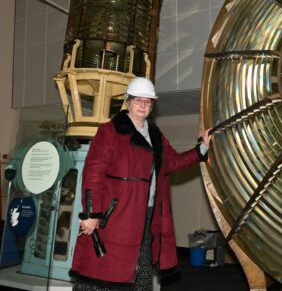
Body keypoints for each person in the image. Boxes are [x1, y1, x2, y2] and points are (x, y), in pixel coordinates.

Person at [70, 77, 212, 290]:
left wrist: (201, 149)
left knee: (140, 270)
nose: (143, 106)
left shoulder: (155, 134)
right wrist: (91, 214)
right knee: (106, 274)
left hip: (148, 215)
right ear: (128, 101)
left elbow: (172, 162)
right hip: (117, 217)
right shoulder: (110, 131)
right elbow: (93, 174)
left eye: (148, 102)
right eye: (138, 100)